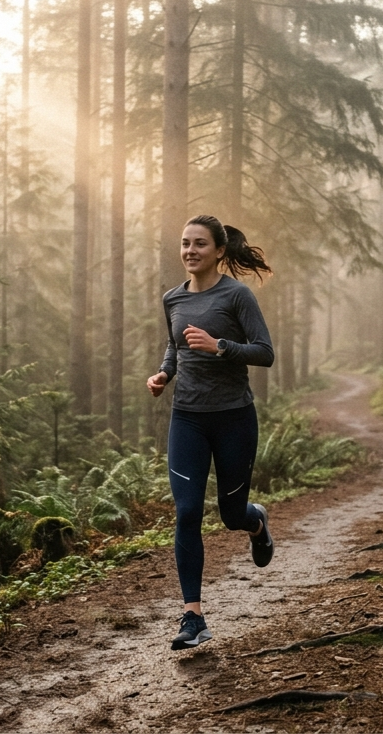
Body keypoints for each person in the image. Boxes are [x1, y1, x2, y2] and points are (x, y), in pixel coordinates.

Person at [146, 214, 275, 651]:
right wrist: (164, 374)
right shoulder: (172, 298)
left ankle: (256, 523)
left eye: (199, 244)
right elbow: (174, 344)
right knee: (186, 513)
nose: (190, 251)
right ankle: (193, 616)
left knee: (231, 514)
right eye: (185, 243)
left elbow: (265, 352)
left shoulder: (237, 296)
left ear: (219, 251)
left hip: (234, 418)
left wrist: (220, 346)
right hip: (188, 419)